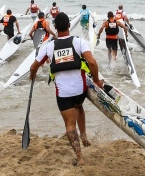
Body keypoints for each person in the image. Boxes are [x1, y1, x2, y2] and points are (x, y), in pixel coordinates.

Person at [28, 12, 103, 167]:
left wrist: (32, 76)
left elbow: (33, 66)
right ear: (69, 26)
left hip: (63, 94)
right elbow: (93, 63)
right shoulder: (79, 42)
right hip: (80, 91)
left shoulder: (49, 46)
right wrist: (96, 81)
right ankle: (83, 136)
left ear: (55, 27)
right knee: (79, 106)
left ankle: (80, 157)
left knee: (70, 125)